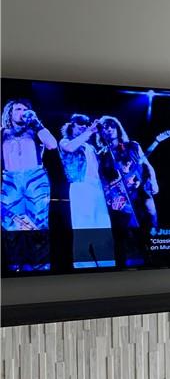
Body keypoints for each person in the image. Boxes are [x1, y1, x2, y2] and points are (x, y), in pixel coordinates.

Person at [1, 99, 57, 272]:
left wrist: (36, 122)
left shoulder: (35, 130)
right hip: (10, 180)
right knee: (11, 224)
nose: (22, 112)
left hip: (35, 179)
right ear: (10, 113)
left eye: (25, 109)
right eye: (18, 109)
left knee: (38, 223)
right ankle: (15, 267)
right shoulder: (2, 132)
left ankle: (40, 267)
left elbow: (52, 144)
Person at [96, 115, 158, 266]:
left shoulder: (132, 145)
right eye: (105, 127)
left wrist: (154, 181)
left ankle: (152, 258)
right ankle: (122, 265)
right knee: (122, 234)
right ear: (101, 132)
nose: (109, 129)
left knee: (148, 223)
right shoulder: (102, 154)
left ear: (118, 128)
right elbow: (103, 180)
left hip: (139, 191)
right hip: (120, 197)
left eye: (112, 125)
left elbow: (147, 164)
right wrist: (111, 197)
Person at [60, 114, 116, 269]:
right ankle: (84, 267)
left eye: (86, 124)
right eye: (80, 123)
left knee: (103, 227)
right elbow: (70, 148)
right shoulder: (65, 141)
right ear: (71, 125)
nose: (84, 126)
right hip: (81, 186)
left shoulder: (90, 146)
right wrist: (89, 131)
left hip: (97, 187)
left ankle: (108, 266)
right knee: (83, 228)